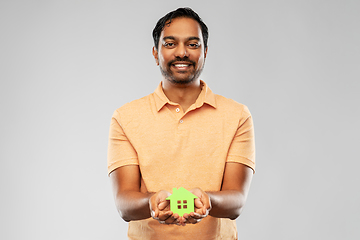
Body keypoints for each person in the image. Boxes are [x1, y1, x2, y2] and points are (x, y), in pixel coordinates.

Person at [108, 7, 255, 239]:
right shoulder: (125, 117)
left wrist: (208, 200)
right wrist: (151, 202)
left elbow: (237, 200)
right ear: (156, 54)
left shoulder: (237, 115)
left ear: (205, 52)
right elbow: (124, 203)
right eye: (170, 43)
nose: (182, 52)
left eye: (193, 44)